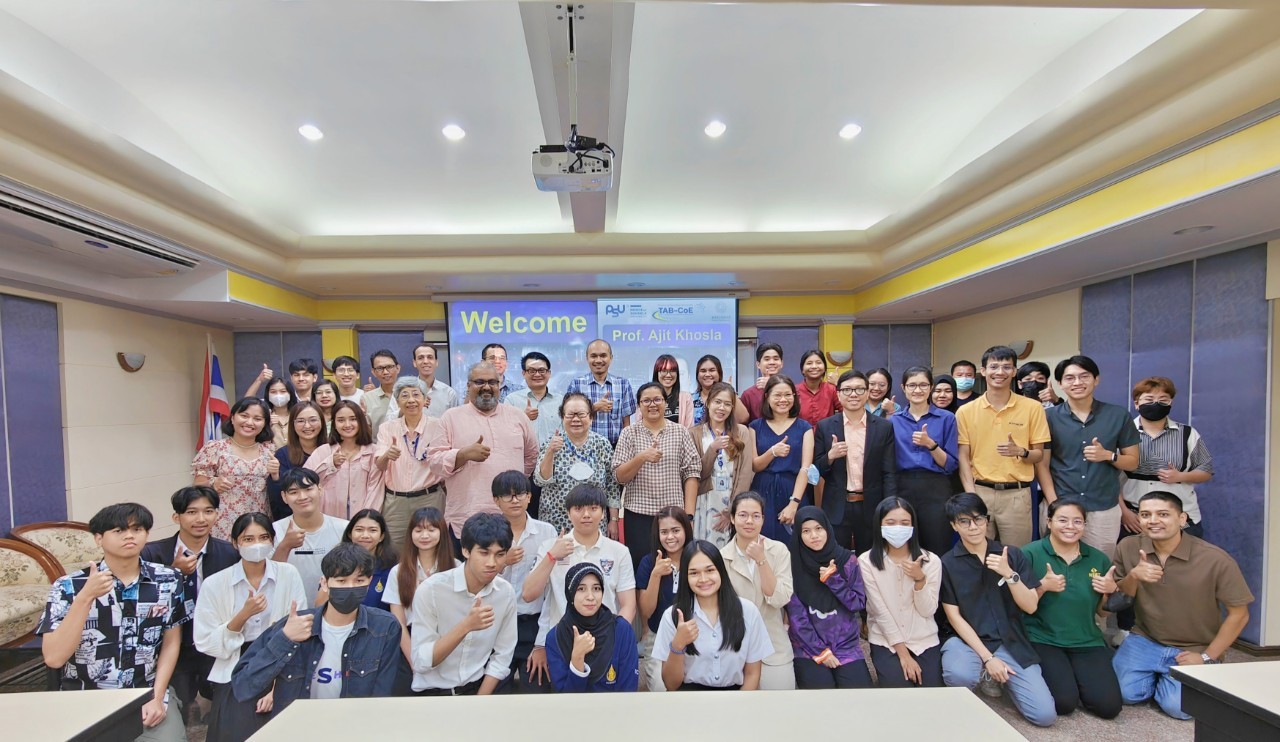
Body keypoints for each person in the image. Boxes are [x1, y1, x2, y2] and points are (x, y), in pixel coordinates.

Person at [38, 503, 188, 741]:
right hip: (84, 698)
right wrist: (85, 597)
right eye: (119, 530)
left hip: (146, 694)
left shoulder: (168, 579)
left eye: (137, 529)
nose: (129, 536)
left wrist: (157, 697)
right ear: (99, 539)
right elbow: (54, 658)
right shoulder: (68, 586)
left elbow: (171, 642)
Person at [1112, 491, 1253, 720]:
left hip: (1194, 646)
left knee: (1180, 709)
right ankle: (1162, 676)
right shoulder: (1128, 547)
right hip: (1145, 639)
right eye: (1145, 514)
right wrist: (1133, 576)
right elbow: (1117, 598)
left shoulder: (1215, 559)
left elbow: (1240, 614)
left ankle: (1172, 678)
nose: (1153, 520)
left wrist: (1207, 656)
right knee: (1121, 694)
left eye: (1163, 514)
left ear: (1182, 519)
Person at [231, 543, 407, 710]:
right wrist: (285, 639)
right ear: (324, 583)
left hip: (353, 723)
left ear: (369, 582)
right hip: (299, 724)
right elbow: (243, 686)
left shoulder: (384, 627)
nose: (350, 587)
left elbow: (382, 693)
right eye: (341, 581)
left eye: (359, 580)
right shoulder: (293, 624)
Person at [939, 493, 1056, 728]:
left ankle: (1004, 679)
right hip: (967, 640)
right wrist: (988, 658)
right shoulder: (947, 563)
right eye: (964, 521)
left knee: (1044, 715)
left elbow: (1030, 606)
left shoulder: (1011, 554)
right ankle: (984, 670)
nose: (973, 527)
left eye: (978, 519)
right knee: (960, 675)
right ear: (954, 525)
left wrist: (1009, 575)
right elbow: (954, 617)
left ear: (987, 520)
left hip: (1009, 640)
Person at [195, 512, 306, 742]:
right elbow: (205, 642)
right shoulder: (215, 583)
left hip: (280, 660)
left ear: (272, 541)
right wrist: (243, 615)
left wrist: (275, 687)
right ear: (235, 543)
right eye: (248, 539)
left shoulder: (288, 574)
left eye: (264, 537)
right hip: (236, 664)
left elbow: (299, 629)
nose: (257, 544)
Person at [140, 486, 239, 722]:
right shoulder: (152, 554)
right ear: (177, 517)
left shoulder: (230, 553)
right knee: (177, 709)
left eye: (208, 511)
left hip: (215, 642)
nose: (201, 519)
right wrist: (173, 573)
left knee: (226, 708)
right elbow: (141, 601)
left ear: (217, 514)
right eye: (192, 512)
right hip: (173, 644)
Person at [525, 484, 637, 688]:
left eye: (593, 508)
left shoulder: (619, 551)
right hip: (562, 641)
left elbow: (628, 605)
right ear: (568, 513)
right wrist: (552, 556)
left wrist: (615, 637)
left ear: (603, 512)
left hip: (606, 640)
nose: (586, 515)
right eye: (578, 509)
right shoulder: (551, 547)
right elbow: (528, 594)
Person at [1021, 497, 1123, 719]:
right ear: (1049, 522)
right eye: (1062, 520)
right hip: (1043, 638)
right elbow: (1020, 607)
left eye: (1077, 521)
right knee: (1063, 703)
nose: (1070, 526)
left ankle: (1078, 680)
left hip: (1086, 640)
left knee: (1109, 707)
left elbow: (1103, 612)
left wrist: (1110, 592)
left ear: (1085, 525)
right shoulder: (1029, 554)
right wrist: (1043, 587)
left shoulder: (1097, 559)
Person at [1036, 355, 1140, 556]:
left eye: (1084, 376)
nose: (1077, 382)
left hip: (1102, 508)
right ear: (1060, 383)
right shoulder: (1048, 417)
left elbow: (1133, 463)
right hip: (1060, 503)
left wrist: (1108, 456)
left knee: (1099, 565)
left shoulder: (1118, 415)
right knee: (1055, 562)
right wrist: (1055, 505)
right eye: (1070, 378)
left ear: (1096, 379)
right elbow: (1042, 465)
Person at [410, 513, 518, 695]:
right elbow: (421, 661)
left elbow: (503, 655)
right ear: (466, 551)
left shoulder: (505, 593)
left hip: (476, 690)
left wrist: (479, 701)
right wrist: (466, 626)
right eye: (484, 553)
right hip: (431, 693)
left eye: (500, 555)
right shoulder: (432, 590)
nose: (492, 563)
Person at [431, 362, 539, 542]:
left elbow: (531, 456)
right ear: (468, 386)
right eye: (479, 382)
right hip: (467, 517)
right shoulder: (451, 417)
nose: (487, 387)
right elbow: (434, 462)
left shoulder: (518, 416)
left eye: (492, 382)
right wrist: (463, 455)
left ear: (499, 385)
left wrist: (513, 483)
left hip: (511, 518)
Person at [956, 346, 1050, 548]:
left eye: (1007, 367)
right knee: (978, 553)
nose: (1000, 372)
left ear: (1015, 371)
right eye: (994, 367)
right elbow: (963, 456)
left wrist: (1021, 452)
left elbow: (1038, 455)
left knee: (1016, 555)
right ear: (983, 371)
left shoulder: (1033, 408)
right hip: (980, 491)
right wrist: (971, 495)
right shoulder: (965, 411)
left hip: (1017, 495)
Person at [653, 541, 773, 690]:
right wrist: (678, 645)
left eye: (710, 570)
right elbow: (671, 685)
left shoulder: (748, 611)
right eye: (694, 573)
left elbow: (752, 674)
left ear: (721, 571)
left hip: (737, 697)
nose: (703, 579)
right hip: (688, 697)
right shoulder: (672, 616)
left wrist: (739, 704)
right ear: (685, 577)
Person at [613, 382, 701, 566]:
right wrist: (642, 457)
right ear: (639, 406)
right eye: (646, 401)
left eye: (657, 400)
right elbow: (619, 476)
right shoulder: (629, 433)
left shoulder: (680, 432)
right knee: (641, 568)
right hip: (638, 515)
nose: (652, 404)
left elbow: (692, 473)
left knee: (676, 566)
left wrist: (689, 516)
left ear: (665, 403)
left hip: (673, 515)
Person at [859, 497, 943, 688]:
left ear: (913, 526)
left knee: (931, 694)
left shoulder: (931, 561)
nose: (898, 528)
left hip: (924, 639)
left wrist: (920, 580)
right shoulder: (866, 561)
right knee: (899, 691)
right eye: (890, 522)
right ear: (879, 525)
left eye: (905, 523)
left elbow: (928, 610)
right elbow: (879, 611)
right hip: (886, 640)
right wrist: (903, 655)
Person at [785, 506, 870, 688]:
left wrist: (834, 581)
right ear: (798, 534)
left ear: (827, 529)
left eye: (819, 528)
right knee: (821, 696)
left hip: (846, 646)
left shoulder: (847, 561)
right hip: (808, 648)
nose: (814, 536)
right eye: (806, 531)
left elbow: (858, 603)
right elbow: (797, 618)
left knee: (860, 695)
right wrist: (821, 652)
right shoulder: (793, 564)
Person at [813, 370, 897, 553]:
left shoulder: (884, 427)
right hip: (837, 506)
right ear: (838, 394)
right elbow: (816, 471)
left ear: (867, 393)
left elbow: (889, 472)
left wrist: (890, 507)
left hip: (872, 505)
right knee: (837, 559)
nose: (853, 394)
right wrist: (830, 456)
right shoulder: (825, 426)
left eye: (859, 389)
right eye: (847, 390)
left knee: (871, 560)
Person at [1121, 377, 1214, 539]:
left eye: (1163, 400)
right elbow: (1107, 479)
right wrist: (1124, 512)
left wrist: (1181, 476)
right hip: (1134, 517)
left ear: (1171, 403)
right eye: (1149, 399)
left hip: (1181, 517)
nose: (1156, 404)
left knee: (1184, 555)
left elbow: (1206, 470)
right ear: (1136, 403)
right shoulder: (1122, 433)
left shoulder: (1188, 434)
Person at [720, 492, 795, 690]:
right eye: (743, 515)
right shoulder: (721, 557)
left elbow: (779, 599)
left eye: (756, 516)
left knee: (781, 701)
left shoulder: (779, 550)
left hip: (773, 644)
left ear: (763, 519)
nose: (749, 521)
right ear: (732, 518)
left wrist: (761, 560)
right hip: (734, 645)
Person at [492, 471, 558, 691]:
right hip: (497, 625)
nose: (515, 500)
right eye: (507, 495)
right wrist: (503, 562)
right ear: (496, 500)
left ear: (529, 497)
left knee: (537, 693)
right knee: (496, 694)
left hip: (533, 625)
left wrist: (541, 643)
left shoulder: (546, 532)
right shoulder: (488, 533)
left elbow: (552, 591)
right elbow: (476, 583)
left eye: (520, 494)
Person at [889, 366, 959, 556]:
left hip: (936, 487)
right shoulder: (893, 421)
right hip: (903, 486)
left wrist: (930, 444)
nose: (917, 390)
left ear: (931, 387)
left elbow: (950, 464)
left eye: (923, 385)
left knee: (938, 544)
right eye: (912, 385)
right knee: (904, 546)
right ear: (903, 388)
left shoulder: (947, 419)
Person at [534, 392, 620, 536]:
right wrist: (550, 452)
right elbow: (540, 480)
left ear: (591, 417)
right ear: (562, 417)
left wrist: (614, 520)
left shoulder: (602, 444)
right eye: (570, 415)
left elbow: (612, 486)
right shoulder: (552, 443)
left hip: (593, 523)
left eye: (581, 414)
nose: (575, 419)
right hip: (556, 522)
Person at [546, 563, 640, 692]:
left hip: (615, 705)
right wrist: (577, 658)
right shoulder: (556, 637)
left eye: (596, 588)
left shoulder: (621, 630)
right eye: (581, 589)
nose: (590, 597)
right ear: (570, 593)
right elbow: (565, 698)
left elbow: (628, 690)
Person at [193, 396, 277, 540]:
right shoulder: (215, 448)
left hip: (260, 523)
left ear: (264, 424)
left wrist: (276, 474)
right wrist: (213, 483)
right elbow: (197, 486)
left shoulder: (270, 451)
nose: (249, 422)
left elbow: (277, 489)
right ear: (232, 418)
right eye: (244, 416)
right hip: (223, 524)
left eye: (257, 419)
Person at [376, 377, 447, 546]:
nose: (411, 400)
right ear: (397, 402)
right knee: (394, 549)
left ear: (425, 399)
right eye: (404, 396)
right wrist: (387, 455)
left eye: (416, 394)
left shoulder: (438, 426)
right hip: (396, 502)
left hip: (430, 498)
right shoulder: (387, 428)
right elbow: (379, 465)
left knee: (433, 547)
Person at [689, 382, 756, 548]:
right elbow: (696, 475)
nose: (721, 408)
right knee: (704, 550)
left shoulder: (742, 432)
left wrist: (732, 509)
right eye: (717, 402)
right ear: (708, 403)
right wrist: (713, 449)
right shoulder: (694, 433)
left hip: (731, 502)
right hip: (704, 502)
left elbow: (745, 474)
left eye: (727, 404)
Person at [748, 375, 813, 542]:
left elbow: (805, 468)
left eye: (788, 395)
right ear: (767, 397)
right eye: (777, 395)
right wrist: (773, 452)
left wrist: (794, 503)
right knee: (761, 543)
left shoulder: (804, 427)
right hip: (762, 491)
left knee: (793, 544)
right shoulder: (755, 427)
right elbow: (755, 465)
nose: (783, 400)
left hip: (793, 490)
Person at [271, 468, 349, 606]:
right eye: (294, 492)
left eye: (308, 489)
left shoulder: (344, 528)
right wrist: (285, 545)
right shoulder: (274, 531)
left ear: (320, 489)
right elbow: (268, 577)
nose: (302, 497)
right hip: (288, 610)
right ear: (284, 497)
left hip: (334, 609)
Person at [635, 507, 691, 691]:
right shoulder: (648, 562)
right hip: (657, 636)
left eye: (676, 530)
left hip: (694, 636)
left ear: (686, 530)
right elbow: (646, 611)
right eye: (664, 532)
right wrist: (656, 575)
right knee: (662, 690)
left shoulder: (697, 558)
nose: (670, 537)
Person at [307, 400, 384, 519]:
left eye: (353, 419)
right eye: (341, 420)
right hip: (329, 518)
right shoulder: (323, 451)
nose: (347, 424)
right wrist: (330, 464)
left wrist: (365, 519)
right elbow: (307, 482)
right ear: (334, 424)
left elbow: (375, 490)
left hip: (362, 520)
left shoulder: (374, 452)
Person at [383, 507, 455, 633]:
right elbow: (399, 623)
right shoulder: (398, 571)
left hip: (448, 634)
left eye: (431, 530)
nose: (424, 535)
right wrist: (411, 647)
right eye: (418, 530)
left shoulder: (456, 567)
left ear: (442, 532)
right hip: (410, 635)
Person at [565, 339, 636, 447]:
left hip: (616, 447)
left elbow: (626, 423)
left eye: (603, 356)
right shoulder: (576, 384)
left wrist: (625, 447)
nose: (598, 360)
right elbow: (569, 417)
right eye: (593, 356)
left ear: (611, 358)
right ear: (587, 358)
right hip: (584, 447)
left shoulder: (623, 384)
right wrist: (594, 407)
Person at [265, 401, 324, 522]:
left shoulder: (333, 451)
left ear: (322, 422)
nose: (307, 426)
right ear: (293, 424)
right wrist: (275, 477)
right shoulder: (283, 455)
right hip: (295, 521)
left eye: (313, 420)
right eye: (301, 421)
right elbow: (278, 499)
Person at [342, 510, 397, 607]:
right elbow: (321, 604)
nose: (365, 536)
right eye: (359, 530)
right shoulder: (337, 562)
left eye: (373, 530)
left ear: (381, 536)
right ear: (350, 534)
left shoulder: (392, 567)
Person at [506, 351, 561, 445]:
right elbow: (505, 432)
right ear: (523, 373)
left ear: (549, 373)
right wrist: (523, 417)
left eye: (542, 370)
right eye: (532, 371)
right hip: (522, 454)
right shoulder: (512, 400)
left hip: (555, 453)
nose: (537, 374)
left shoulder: (561, 401)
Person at [691, 354, 747, 426]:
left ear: (719, 374)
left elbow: (743, 419)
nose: (707, 374)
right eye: (703, 371)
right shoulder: (690, 399)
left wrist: (730, 391)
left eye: (712, 370)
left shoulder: (730, 395)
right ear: (697, 375)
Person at [739, 343, 784, 422]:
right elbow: (743, 422)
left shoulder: (791, 390)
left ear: (782, 364)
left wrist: (772, 385)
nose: (772, 362)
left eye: (776, 359)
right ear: (758, 364)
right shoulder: (748, 395)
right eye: (767, 359)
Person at [411, 343, 458, 417]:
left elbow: (455, 420)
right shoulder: (406, 392)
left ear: (436, 362)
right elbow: (393, 418)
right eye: (420, 358)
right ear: (414, 363)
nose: (425, 361)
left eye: (430, 357)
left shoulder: (449, 393)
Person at [360, 349, 402, 433]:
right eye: (380, 368)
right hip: (378, 441)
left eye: (389, 367)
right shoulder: (367, 398)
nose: (385, 372)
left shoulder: (410, 395)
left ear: (398, 368)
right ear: (373, 372)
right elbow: (366, 433)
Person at [795, 349, 838, 427]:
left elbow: (846, 409)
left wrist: (839, 384)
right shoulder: (794, 391)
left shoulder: (832, 389)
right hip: (800, 433)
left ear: (824, 368)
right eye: (809, 363)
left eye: (818, 363)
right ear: (802, 370)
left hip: (827, 433)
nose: (814, 366)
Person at [650, 353, 693, 426]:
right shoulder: (646, 397)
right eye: (664, 371)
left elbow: (689, 428)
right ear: (656, 373)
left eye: (672, 371)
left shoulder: (686, 398)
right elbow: (640, 426)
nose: (668, 375)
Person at [263, 377, 296, 448]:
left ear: (290, 393)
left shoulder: (297, 414)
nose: (278, 395)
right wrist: (266, 426)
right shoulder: (263, 416)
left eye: (283, 391)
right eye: (273, 392)